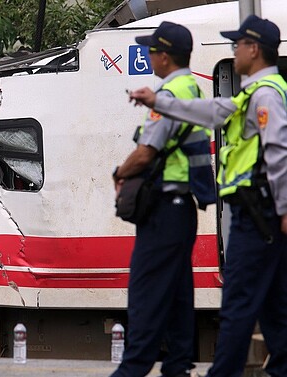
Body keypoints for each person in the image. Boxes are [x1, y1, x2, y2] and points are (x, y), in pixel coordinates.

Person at [129, 15, 287, 377]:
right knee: (276, 304)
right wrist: (158, 100)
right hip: (258, 208)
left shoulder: (265, 95)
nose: (233, 52)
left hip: (257, 209)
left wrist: (284, 207)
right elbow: (212, 112)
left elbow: (279, 152)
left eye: (237, 45)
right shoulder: (256, 91)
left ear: (254, 49)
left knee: (238, 302)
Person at [111, 22, 216, 377]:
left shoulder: (170, 95)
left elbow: (145, 153)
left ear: (166, 56)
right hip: (183, 208)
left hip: (165, 210)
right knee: (177, 291)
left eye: (152, 50)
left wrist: (119, 174)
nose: (148, 55)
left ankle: (132, 369)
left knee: (147, 289)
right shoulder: (192, 88)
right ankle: (177, 366)